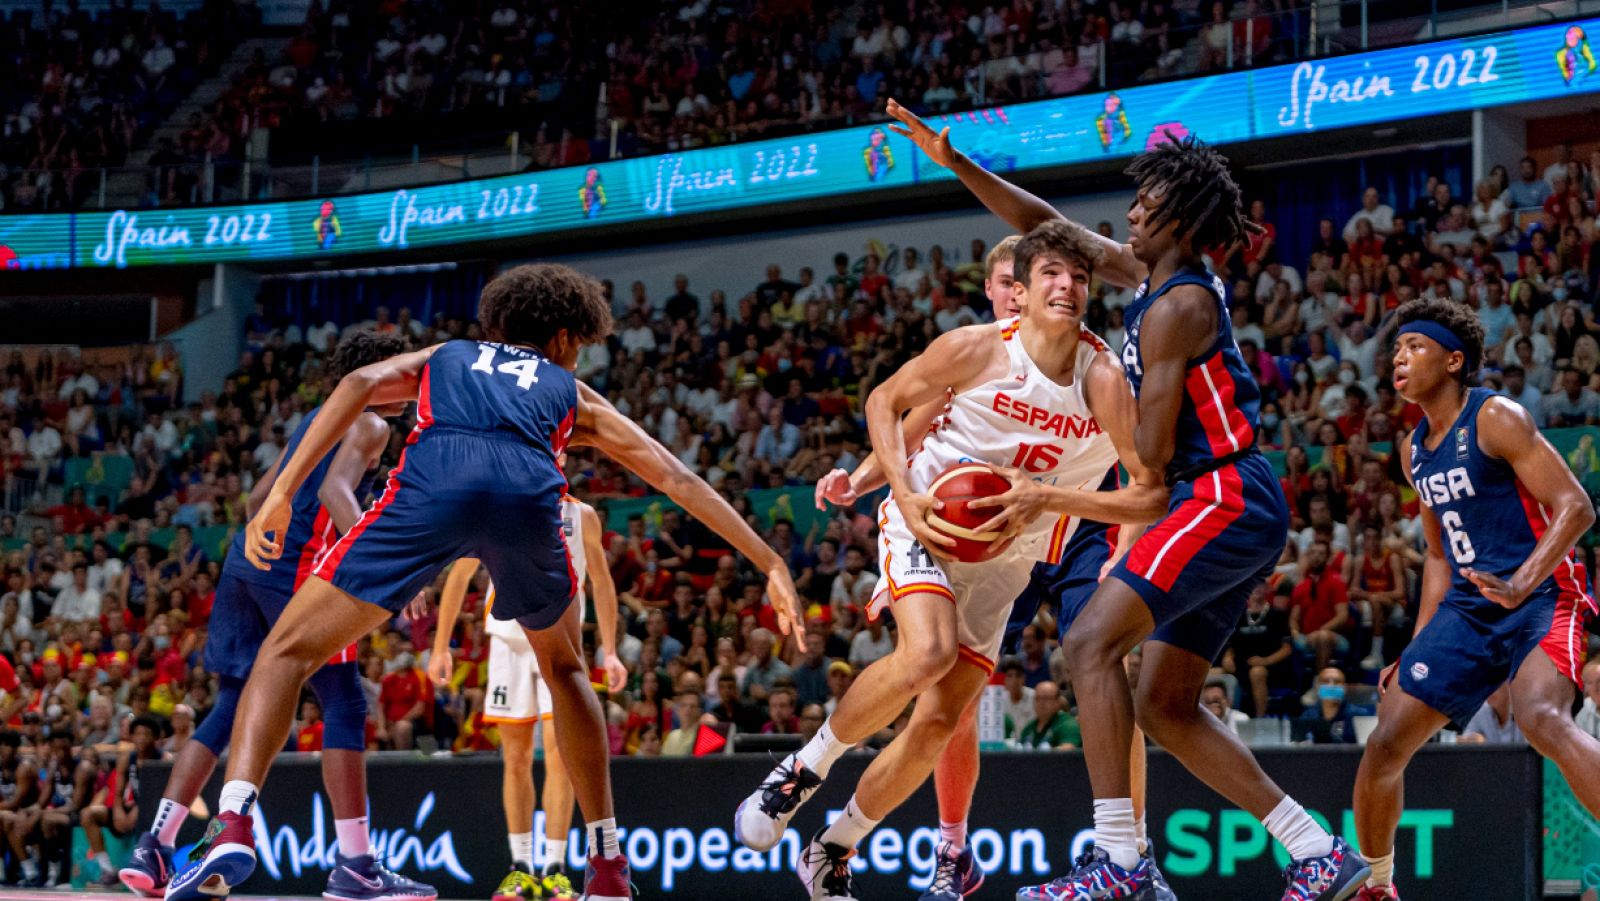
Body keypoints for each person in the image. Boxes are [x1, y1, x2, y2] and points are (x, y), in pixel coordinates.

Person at [175, 263, 802, 901]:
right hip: (525, 498)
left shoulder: (447, 355)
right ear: (564, 337)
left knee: (284, 652)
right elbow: (676, 477)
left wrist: (281, 492)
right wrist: (769, 562)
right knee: (566, 670)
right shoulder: (571, 391)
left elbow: (359, 382)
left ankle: (233, 821)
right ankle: (608, 863)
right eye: (579, 345)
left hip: (435, 484)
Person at [882, 99, 1368, 897]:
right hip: (1223, 501)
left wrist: (1067, 415)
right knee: (1164, 705)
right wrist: (956, 162)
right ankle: (1316, 849)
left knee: (1089, 642)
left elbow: (1149, 462)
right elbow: (1045, 226)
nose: (1131, 212)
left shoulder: (1178, 306)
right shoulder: (1153, 277)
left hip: (1220, 495)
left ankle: (1118, 861)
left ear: (1181, 217)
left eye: (1146, 202)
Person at [733, 221, 1168, 901]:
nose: (1067, 286)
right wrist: (898, 492)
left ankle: (833, 847)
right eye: (1050, 274)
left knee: (939, 720)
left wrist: (1064, 511)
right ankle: (801, 770)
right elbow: (886, 401)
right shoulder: (976, 348)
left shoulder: (1103, 378)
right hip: (930, 521)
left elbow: (1149, 491)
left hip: (1009, 559)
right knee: (928, 653)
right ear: (1016, 292)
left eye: (1080, 277)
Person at [119, 331, 431, 901]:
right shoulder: (370, 422)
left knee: (233, 704)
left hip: (248, 560)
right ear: (381, 372)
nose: (413, 388)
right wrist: (384, 566)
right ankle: (356, 864)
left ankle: (155, 846)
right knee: (344, 702)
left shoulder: (319, 415)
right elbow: (336, 491)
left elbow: (258, 496)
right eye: (406, 375)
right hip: (295, 572)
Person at [1353, 298, 1600, 901]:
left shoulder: (1496, 417)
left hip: (1543, 593)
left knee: (1541, 717)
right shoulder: (1413, 451)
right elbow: (1438, 556)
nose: (1399, 357)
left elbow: (1576, 507)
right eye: (1397, 349)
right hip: (1470, 606)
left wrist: (1521, 582)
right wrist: (1416, 647)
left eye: (1415, 346)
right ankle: (1377, 885)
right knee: (1385, 741)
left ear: (1454, 360)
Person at [430, 483, 629, 901]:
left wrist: (610, 651)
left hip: (563, 646)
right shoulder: (497, 505)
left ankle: (555, 869)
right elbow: (460, 575)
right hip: (510, 641)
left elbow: (602, 582)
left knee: (561, 758)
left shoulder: (582, 515)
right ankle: (520, 867)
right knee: (516, 757)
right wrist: (441, 646)